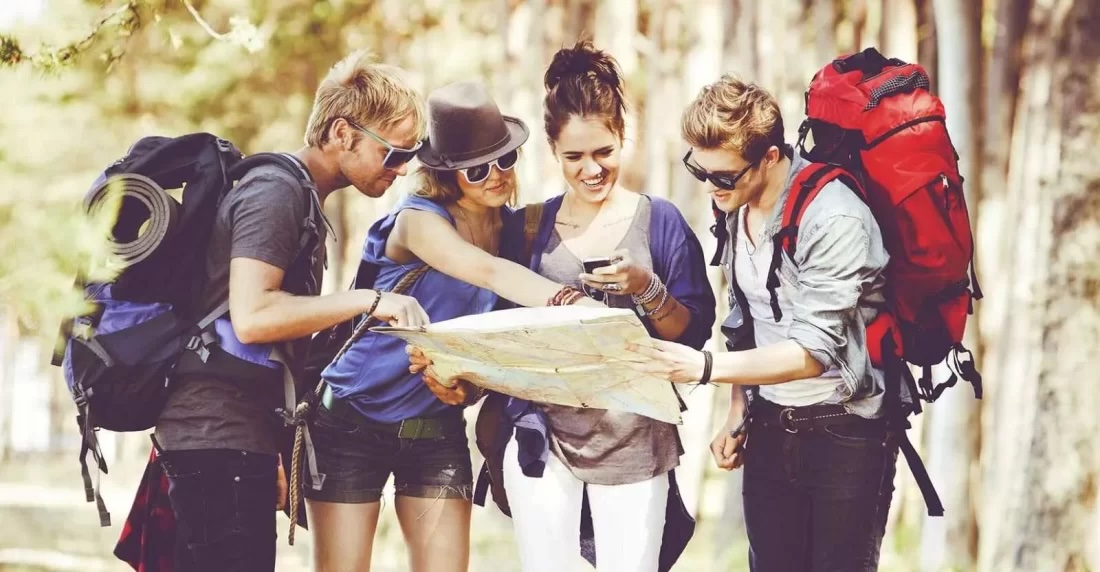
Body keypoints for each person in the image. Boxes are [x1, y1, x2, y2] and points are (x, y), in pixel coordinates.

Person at [304, 80, 604, 572]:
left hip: (434, 426)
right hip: (350, 421)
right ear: (446, 175)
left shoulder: (513, 231)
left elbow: (494, 344)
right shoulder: (417, 221)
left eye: (504, 160)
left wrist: (467, 388)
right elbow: (487, 272)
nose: (495, 176)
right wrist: (576, 304)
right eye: (477, 169)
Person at [152, 50, 430, 572]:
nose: (403, 168)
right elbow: (253, 316)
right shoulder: (276, 191)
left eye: (412, 154)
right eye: (393, 152)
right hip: (214, 438)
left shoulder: (302, 199)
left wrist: (273, 447)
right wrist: (369, 301)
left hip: (238, 436)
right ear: (343, 133)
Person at [444, 40, 715, 572]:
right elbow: (503, 333)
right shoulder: (525, 227)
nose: (591, 170)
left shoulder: (659, 223)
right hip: (539, 438)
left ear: (623, 140)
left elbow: (691, 336)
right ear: (552, 151)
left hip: (637, 438)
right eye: (574, 157)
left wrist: (645, 288)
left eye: (603, 153)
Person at [625, 75, 899, 571]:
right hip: (773, 426)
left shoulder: (835, 218)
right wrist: (739, 409)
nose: (712, 187)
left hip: (846, 432)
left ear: (771, 157)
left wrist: (706, 368)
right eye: (700, 171)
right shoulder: (734, 204)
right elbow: (746, 317)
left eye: (725, 176)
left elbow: (812, 353)